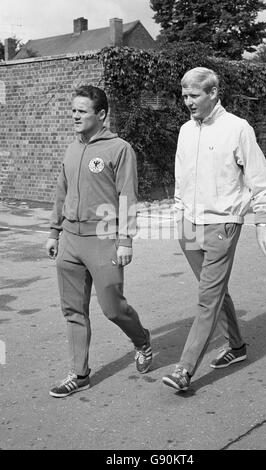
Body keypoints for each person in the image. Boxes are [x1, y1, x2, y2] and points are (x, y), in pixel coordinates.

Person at [162, 67, 266, 392]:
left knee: (207, 297)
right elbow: (180, 176)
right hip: (189, 225)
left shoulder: (237, 129)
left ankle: (184, 369)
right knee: (214, 291)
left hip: (223, 224)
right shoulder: (186, 130)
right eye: (184, 95)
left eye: (194, 95)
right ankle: (237, 347)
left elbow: (260, 179)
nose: (187, 102)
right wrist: (179, 215)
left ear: (213, 93)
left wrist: (262, 221)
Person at [46, 85, 152, 398]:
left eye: (82, 110)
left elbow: (127, 197)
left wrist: (125, 240)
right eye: (73, 110)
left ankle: (142, 339)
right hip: (70, 239)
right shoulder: (71, 148)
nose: (75, 115)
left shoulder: (119, 149)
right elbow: (60, 192)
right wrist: (54, 232)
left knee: (113, 309)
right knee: (73, 310)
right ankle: (80, 374)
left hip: (104, 239)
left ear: (101, 114)